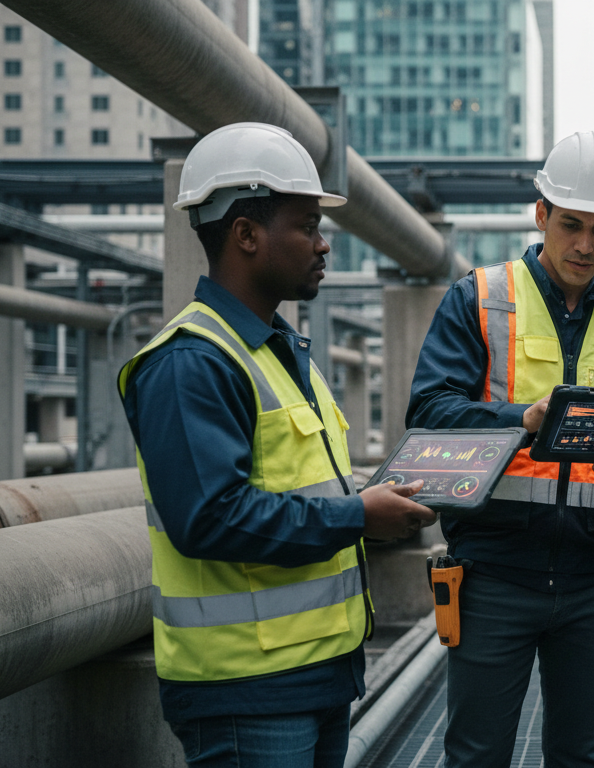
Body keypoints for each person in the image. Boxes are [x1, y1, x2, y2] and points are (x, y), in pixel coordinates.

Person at [118, 122, 437, 768]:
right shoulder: (192, 363)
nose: (323, 244)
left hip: (316, 676)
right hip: (246, 692)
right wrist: (359, 516)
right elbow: (209, 518)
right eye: (307, 225)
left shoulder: (281, 353)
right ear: (246, 234)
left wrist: (374, 502)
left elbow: (301, 488)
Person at [406, 131, 594, 768]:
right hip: (493, 573)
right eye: (571, 225)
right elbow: (428, 415)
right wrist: (521, 419)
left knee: (579, 757)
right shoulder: (479, 298)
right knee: (476, 756)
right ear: (541, 213)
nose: (585, 245)